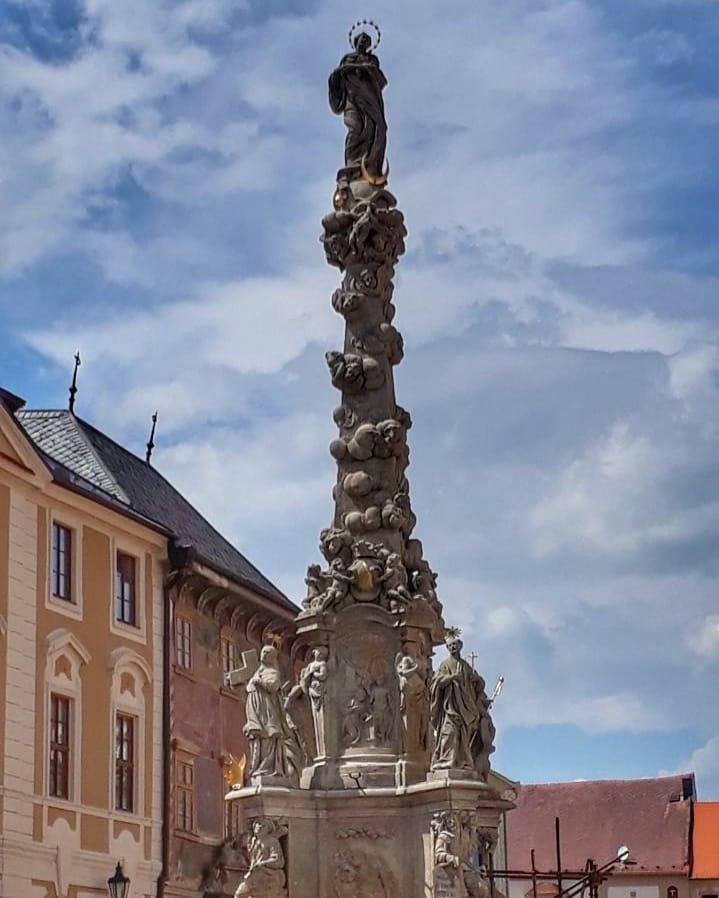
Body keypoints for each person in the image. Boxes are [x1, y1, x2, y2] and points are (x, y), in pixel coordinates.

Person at [430, 631, 495, 776]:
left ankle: (463, 762)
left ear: (460, 646)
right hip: (449, 707)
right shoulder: (445, 665)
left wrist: (477, 680)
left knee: (464, 737)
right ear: (447, 648)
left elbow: (478, 683)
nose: (452, 647)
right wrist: (452, 677)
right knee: (449, 733)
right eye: (450, 645)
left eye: (455, 644)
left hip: (465, 707)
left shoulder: (465, 666)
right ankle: (445, 760)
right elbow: (436, 682)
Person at [328, 31, 388, 180]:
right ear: (355, 41)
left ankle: (369, 165)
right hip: (352, 100)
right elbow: (338, 77)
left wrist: (358, 69)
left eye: (367, 40)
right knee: (355, 128)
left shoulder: (372, 60)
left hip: (369, 101)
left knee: (373, 130)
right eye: (362, 39)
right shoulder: (347, 59)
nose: (364, 42)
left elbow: (377, 78)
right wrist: (342, 73)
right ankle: (352, 165)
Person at [244, 645, 301, 780]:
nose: (263, 655)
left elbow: (273, 686)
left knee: (268, 737)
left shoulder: (273, 672)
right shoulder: (258, 671)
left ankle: (267, 768)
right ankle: (258, 767)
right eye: (263, 652)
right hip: (257, 712)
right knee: (258, 738)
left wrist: (259, 681)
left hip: (267, 711)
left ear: (272, 657)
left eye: (267, 653)